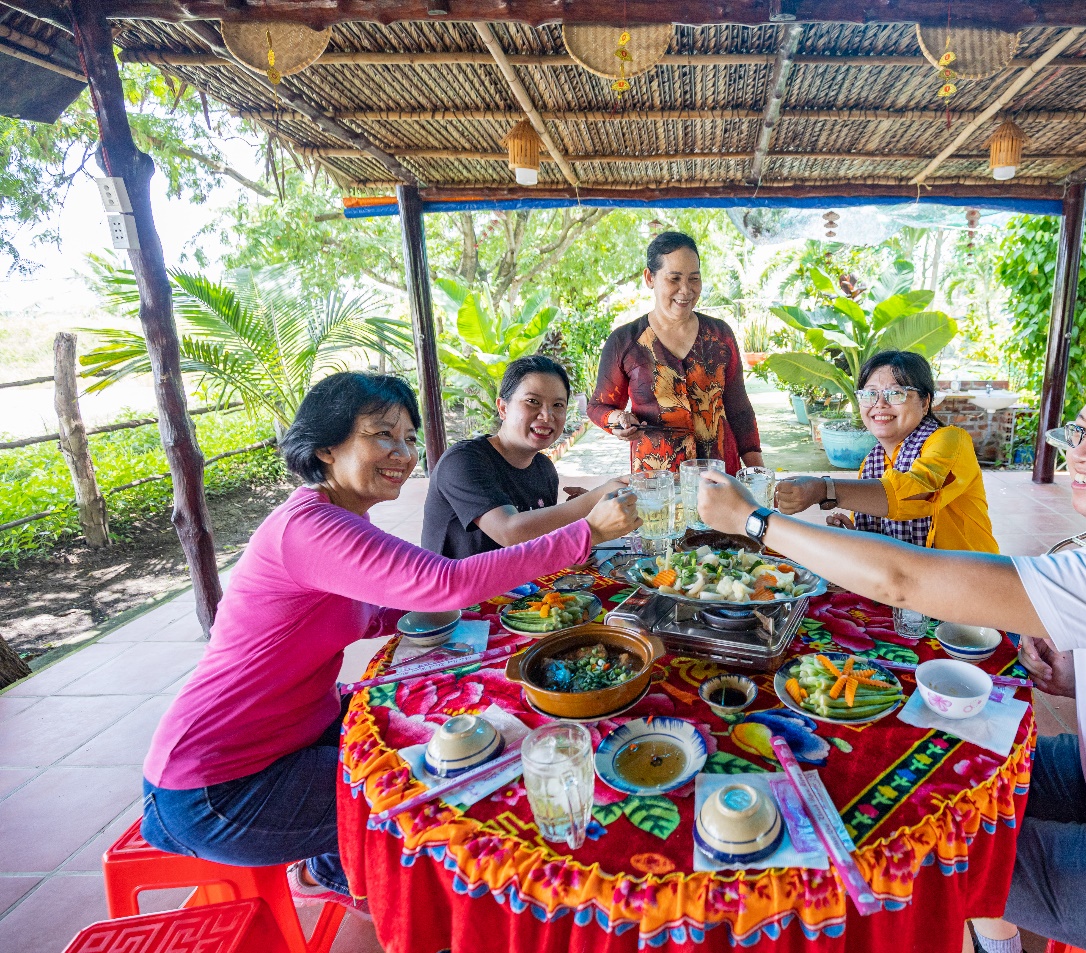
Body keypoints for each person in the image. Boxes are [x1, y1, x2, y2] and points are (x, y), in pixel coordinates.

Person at [695, 349, 1086, 953]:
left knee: (915, 845)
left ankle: (995, 944)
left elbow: (903, 580)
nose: (1079, 454)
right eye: (1079, 433)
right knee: (928, 772)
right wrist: (1085, 677)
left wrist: (755, 521)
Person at [140, 372, 638, 913]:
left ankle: (334, 858)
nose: (401, 452)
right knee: (434, 791)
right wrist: (586, 532)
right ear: (326, 447)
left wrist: (497, 606)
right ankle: (344, 872)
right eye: (382, 434)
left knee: (460, 732)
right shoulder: (309, 527)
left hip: (298, 729)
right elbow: (446, 582)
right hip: (219, 785)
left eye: (407, 438)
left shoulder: (336, 519)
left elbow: (384, 611)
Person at [773, 350, 997, 553]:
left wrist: (824, 489)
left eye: (896, 393)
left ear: (925, 403)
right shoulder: (873, 462)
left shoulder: (950, 440)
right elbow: (885, 533)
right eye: (870, 394)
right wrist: (855, 535)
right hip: (907, 578)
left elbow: (917, 494)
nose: (880, 403)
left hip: (967, 576)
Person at [588, 231, 764, 473]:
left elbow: (739, 409)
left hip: (721, 476)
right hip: (657, 480)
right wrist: (619, 421)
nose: (686, 290)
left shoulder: (720, 335)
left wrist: (760, 475)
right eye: (674, 279)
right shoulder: (625, 341)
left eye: (694, 278)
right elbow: (598, 406)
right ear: (649, 278)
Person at [422, 355, 631, 558]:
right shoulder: (463, 461)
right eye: (532, 401)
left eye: (558, 405)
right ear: (503, 408)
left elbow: (537, 545)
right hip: (458, 582)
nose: (547, 416)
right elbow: (510, 532)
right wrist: (594, 498)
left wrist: (583, 520)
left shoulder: (544, 469)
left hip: (517, 581)